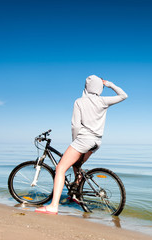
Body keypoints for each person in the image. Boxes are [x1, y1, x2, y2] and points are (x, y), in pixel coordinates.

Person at [35, 75, 128, 214]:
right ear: (99, 87)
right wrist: (108, 84)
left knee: (60, 168)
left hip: (83, 140)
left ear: (86, 87)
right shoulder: (103, 101)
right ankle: (76, 195)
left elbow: (75, 126)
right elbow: (123, 95)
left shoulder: (79, 102)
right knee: (76, 165)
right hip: (96, 142)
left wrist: (75, 142)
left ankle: (53, 206)